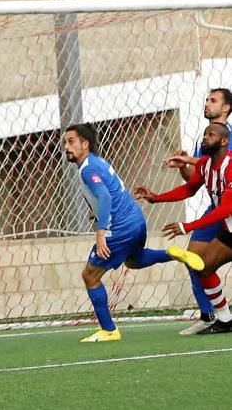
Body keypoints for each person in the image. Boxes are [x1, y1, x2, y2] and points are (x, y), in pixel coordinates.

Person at [64, 123, 202, 342]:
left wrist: (100, 233)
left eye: (71, 142)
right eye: (65, 142)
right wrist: (96, 212)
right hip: (136, 220)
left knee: (90, 276)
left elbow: (105, 197)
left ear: (85, 144)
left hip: (119, 228)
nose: (66, 146)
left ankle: (109, 330)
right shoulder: (98, 162)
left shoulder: (88, 169)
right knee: (134, 261)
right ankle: (172, 253)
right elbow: (112, 191)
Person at [135, 122, 232, 334]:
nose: (205, 138)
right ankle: (225, 320)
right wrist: (156, 198)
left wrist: (187, 226)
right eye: (205, 134)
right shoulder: (205, 165)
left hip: (227, 225)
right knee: (203, 267)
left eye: (211, 135)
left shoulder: (230, 166)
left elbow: (225, 210)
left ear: (224, 141)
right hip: (230, 232)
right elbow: (189, 189)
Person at [161, 88, 232, 334]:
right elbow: (194, 181)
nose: (207, 104)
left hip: (225, 209)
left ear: (226, 107)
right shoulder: (205, 139)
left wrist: (187, 226)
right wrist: (183, 165)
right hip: (218, 210)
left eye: (213, 100)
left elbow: (221, 165)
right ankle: (212, 315)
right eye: (206, 100)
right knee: (196, 260)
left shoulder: (226, 137)